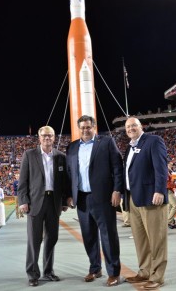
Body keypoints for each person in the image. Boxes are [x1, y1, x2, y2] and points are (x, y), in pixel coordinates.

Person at [66, 115, 124, 287]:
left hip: (104, 198)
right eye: (82, 127)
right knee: (89, 236)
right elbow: (70, 174)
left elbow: (117, 167)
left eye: (88, 127)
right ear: (79, 128)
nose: (85, 130)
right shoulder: (72, 147)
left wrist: (117, 190)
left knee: (108, 236)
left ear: (94, 127)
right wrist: (70, 194)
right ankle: (95, 268)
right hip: (82, 198)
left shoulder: (106, 143)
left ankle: (114, 273)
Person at [18, 125, 70, 287]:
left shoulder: (61, 156)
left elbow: (64, 183)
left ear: (54, 138)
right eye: (44, 136)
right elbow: (23, 181)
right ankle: (33, 274)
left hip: (53, 203)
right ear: (39, 138)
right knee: (34, 240)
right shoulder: (29, 155)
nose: (47, 138)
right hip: (34, 203)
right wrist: (23, 201)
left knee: (51, 239)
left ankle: (48, 272)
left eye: (50, 136)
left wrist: (64, 201)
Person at [123, 117, 168, 290]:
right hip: (134, 198)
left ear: (141, 126)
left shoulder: (153, 141)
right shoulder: (130, 147)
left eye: (134, 125)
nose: (131, 128)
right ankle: (144, 271)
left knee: (156, 239)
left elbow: (161, 168)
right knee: (141, 239)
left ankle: (157, 276)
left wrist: (159, 190)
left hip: (151, 197)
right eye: (128, 127)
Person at [167, 162, 176, 229]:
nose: (172, 166)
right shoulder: (165, 171)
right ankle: (168, 222)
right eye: (170, 165)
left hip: (169, 190)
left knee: (170, 206)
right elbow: (167, 182)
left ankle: (170, 223)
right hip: (168, 189)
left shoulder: (169, 171)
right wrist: (175, 184)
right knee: (175, 206)